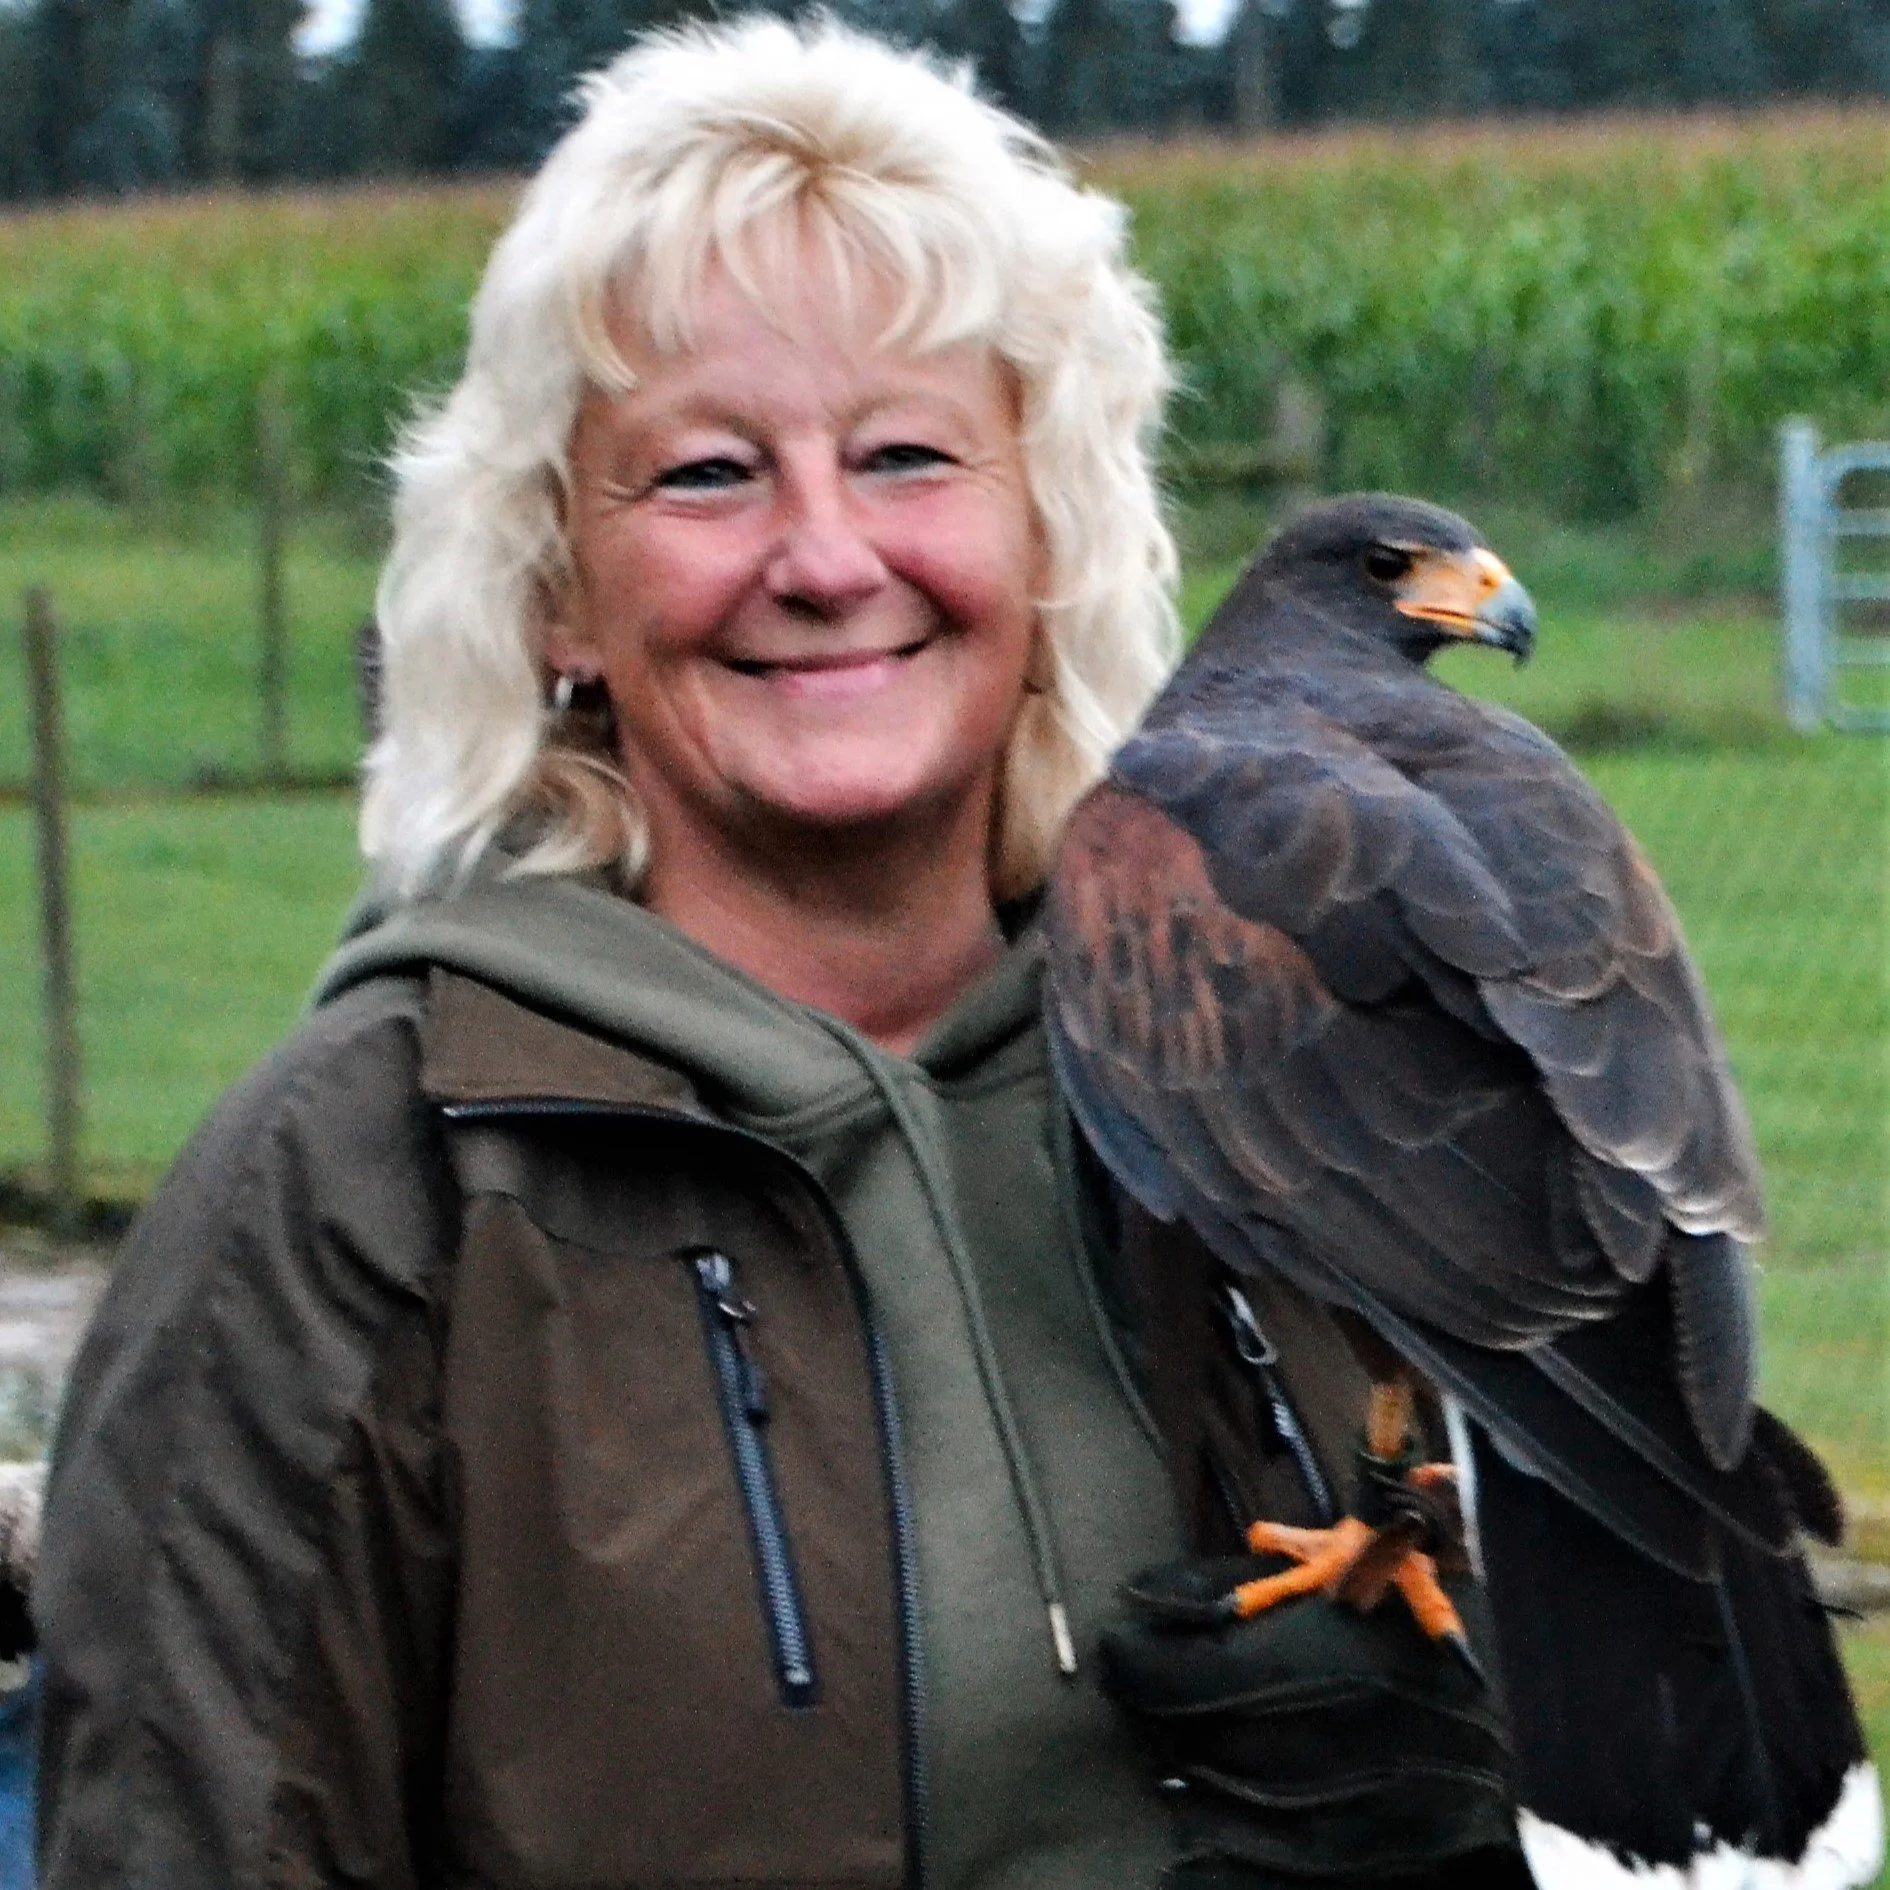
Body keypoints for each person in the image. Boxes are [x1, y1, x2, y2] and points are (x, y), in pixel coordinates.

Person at [33, 19, 1526, 1889]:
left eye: (908, 454)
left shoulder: (1278, 1081)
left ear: (1051, 536)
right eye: (707, 474)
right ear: (558, 592)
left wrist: (1449, 1833)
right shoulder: (358, 1189)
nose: (824, 556)